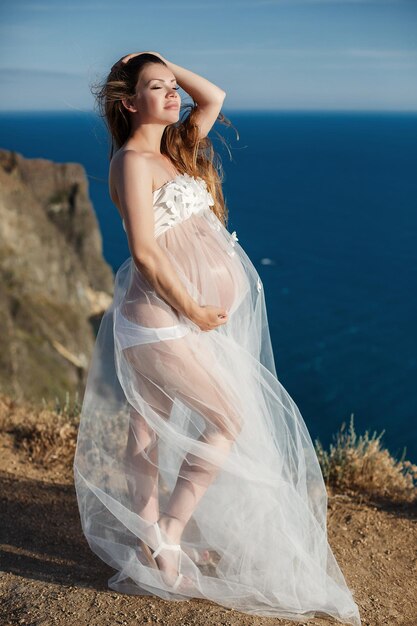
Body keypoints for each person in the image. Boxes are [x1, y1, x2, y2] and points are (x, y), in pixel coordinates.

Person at [73, 51, 362, 625]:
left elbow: (216, 98)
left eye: (171, 86)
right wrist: (195, 309)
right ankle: (169, 535)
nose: (172, 93)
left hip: (177, 317)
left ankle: (155, 538)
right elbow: (145, 252)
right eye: (156, 88)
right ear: (130, 103)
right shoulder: (133, 160)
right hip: (158, 317)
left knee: (145, 431)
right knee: (225, 419)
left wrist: (162, 61)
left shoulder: (174, 150)